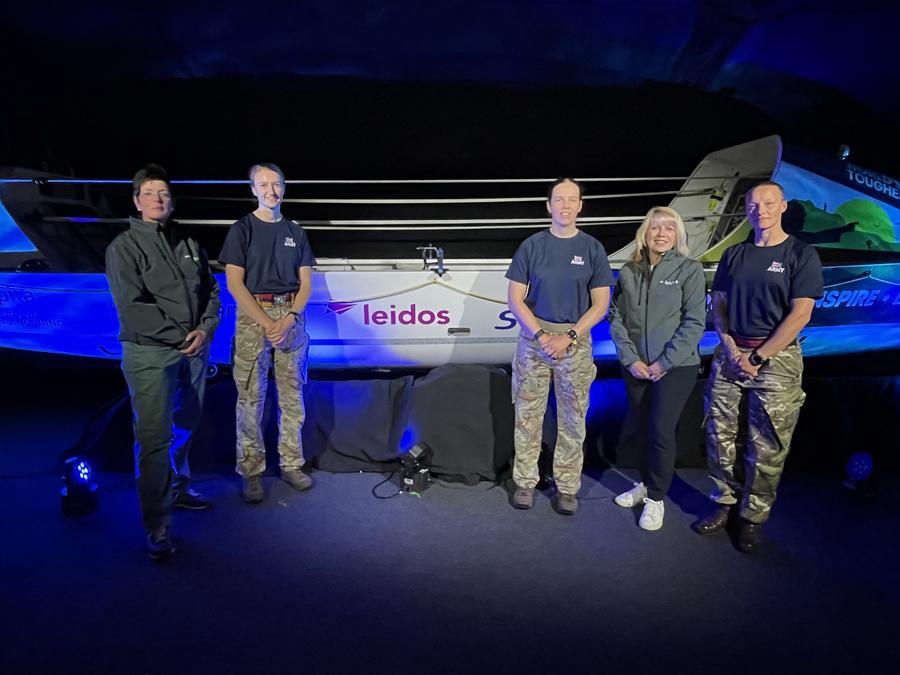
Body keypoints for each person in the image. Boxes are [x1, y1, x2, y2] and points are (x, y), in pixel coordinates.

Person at [696, 181, 823, 553]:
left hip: (776, 361)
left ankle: (753, 517)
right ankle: (724, 503)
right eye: (754, 204)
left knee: (768, 445)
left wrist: (758, 356)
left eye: (769, 203)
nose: (760, 210)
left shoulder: (801, 254)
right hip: (731, 355)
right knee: (720, 437)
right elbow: (718, 303)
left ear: (782, 206)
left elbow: (801, 314)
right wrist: (730, 345)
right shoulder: (735, 254)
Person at [105, 164, 221, 560]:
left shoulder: (188, 242)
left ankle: (178, 489)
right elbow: (132, 308)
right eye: (150, 193)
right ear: (137, 202)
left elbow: (211, 292)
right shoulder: (123, 248)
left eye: (165, 194)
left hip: (193, 350)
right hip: (150, 353)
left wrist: (205, 329)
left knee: (186, 422)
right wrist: (179, 337)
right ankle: (157, 524)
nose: (159, 199)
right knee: (154, 438)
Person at [505, 177, 613, 515]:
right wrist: (540, 336)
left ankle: (567, 487)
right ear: (548, 205)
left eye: (572, 199)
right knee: (527, 417)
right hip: (534, 341)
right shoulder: (532, 246)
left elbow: (601, 304)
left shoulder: (592, 248)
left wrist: (568, 337)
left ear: (580, 206)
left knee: (572, 419)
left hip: (574, 342)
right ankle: (525, 481)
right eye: (559, 199)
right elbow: (515, 299)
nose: (565, 205)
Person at [218, 163, 316, 503]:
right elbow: (234, 282)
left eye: (276, 184)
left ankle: (291, 463)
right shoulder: (241, 230)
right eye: (263, 185)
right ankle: (251, 470)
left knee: (292, 395)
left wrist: (288, 318)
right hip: (252, 317)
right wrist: (265, 322)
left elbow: (306, 285)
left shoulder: (296, 231)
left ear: (284, 188)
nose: (270, 190)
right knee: (250, 397)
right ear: (253, 189)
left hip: (289, 317)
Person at [608, 207, 706, 530]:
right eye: (655, 227)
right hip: (636, 366)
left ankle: (656, 500)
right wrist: (631, 360)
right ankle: (645, 485)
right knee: (641, 429)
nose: (662, 233)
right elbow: (616, 318)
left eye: (669, 228)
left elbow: (694, 323)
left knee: (661, 430)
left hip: (676, 367)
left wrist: (663, 363)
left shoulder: (690, 270)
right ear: (644, 234)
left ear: (677, 234)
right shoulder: (628, 271)